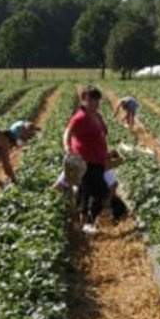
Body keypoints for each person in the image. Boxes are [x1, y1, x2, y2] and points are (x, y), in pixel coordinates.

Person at [65, 87, 110, 234]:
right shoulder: (80, 117)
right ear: (83, 100)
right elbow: (67, 133)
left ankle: (84, 224)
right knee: (100, 192)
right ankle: (88, 223)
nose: (94, 102)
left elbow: (102, 133)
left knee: (86, 192)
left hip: (98, 159)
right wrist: (68, 148)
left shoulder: (96, 115)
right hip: (86, 161)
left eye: (96, 99)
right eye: (90, 99)